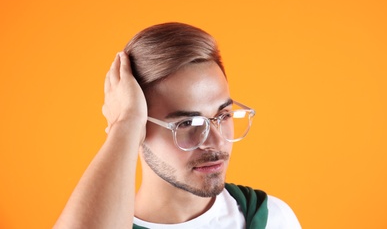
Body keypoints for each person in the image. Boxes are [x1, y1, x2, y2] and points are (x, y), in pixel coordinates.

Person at [54, 22, 301, 228]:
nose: (216, 142)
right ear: (141, 126)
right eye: (187, 123)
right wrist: (125, 123)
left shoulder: (271, 219)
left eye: (223, 115)